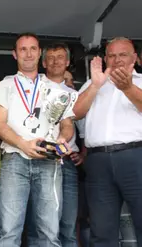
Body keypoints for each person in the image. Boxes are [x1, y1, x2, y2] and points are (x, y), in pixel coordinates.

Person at [0, 33, 74, 247]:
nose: (28, 54)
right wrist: (23, 145)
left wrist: (61, 140)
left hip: (49, 161)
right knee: (9, 230)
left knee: (49, 231)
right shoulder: (5, 85)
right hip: (15, 159)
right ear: (14, 54)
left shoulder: (56, 88)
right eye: (23, 49)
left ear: (40, 53)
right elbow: (0, 124)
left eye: (33, 49)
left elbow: (67, 124)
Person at [73, 37, 142, 247]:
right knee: (101, 229)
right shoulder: (94, 82)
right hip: (98, 161)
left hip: (135, 157)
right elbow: (74, 113)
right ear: (105, 59)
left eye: (123, 54)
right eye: (112, 55)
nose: (117, 60)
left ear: (135, 58)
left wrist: (128, 87)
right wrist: (95, 86)